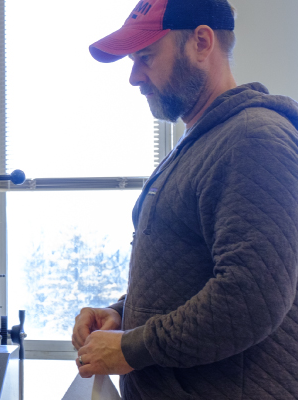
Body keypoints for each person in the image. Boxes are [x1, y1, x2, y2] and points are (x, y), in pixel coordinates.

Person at [71, 0, 298, 398]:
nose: (134, 77)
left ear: (201, 42)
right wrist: (123, 314)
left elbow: (250, 297)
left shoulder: (252, 138)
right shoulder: (200, 145)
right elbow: (187, 274)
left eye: (145, 56)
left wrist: (132, 347)